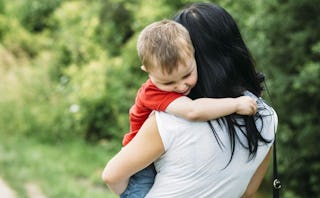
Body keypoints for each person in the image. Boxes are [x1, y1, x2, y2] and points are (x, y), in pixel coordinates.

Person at [102, 2, 277, 198]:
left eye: (185, 75)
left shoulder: (169, 123)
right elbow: (247, 191)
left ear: (195, 57)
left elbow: (112, 175)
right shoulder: (267, 117)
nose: (179, 86)